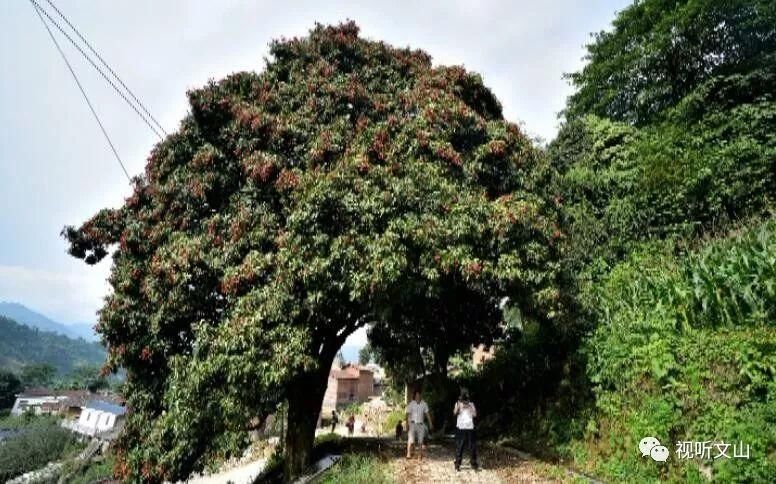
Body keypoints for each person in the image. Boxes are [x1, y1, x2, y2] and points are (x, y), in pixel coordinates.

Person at [453, 388, 478, 471]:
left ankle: (474, 463)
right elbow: (454, 413)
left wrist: (469, 407)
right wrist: (459, 407)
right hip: (461, 428)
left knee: (472, 446)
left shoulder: (471, 404)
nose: (465, 401)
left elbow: (474, 415)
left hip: (470, 427)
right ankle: (457, 464)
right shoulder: (458, 403)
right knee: (460, 446)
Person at [406, 389, 433, 460]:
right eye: (416, 395)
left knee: (420, 440)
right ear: (414, 396)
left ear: (421, 396)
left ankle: (419, 455)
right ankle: (408, 453)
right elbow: (407, 414)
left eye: (419, 395)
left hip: (421, 424)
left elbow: (427, 414)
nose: (418, 396)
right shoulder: (411, 404)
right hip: (412, 424)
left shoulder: (424, 404)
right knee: (411, 440)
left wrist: (430, 423)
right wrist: (407, 424)